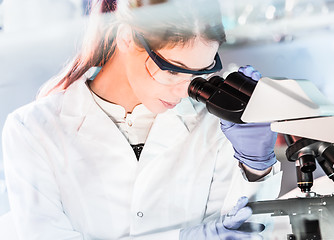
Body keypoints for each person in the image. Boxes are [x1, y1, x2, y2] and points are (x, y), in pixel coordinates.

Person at [2, 0, 282, 239]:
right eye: (173, 71)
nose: (184, 89)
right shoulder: (32, 130)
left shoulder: (215, 126)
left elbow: (249, 230)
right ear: (127, 38)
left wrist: (256, 168)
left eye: (197, 73)